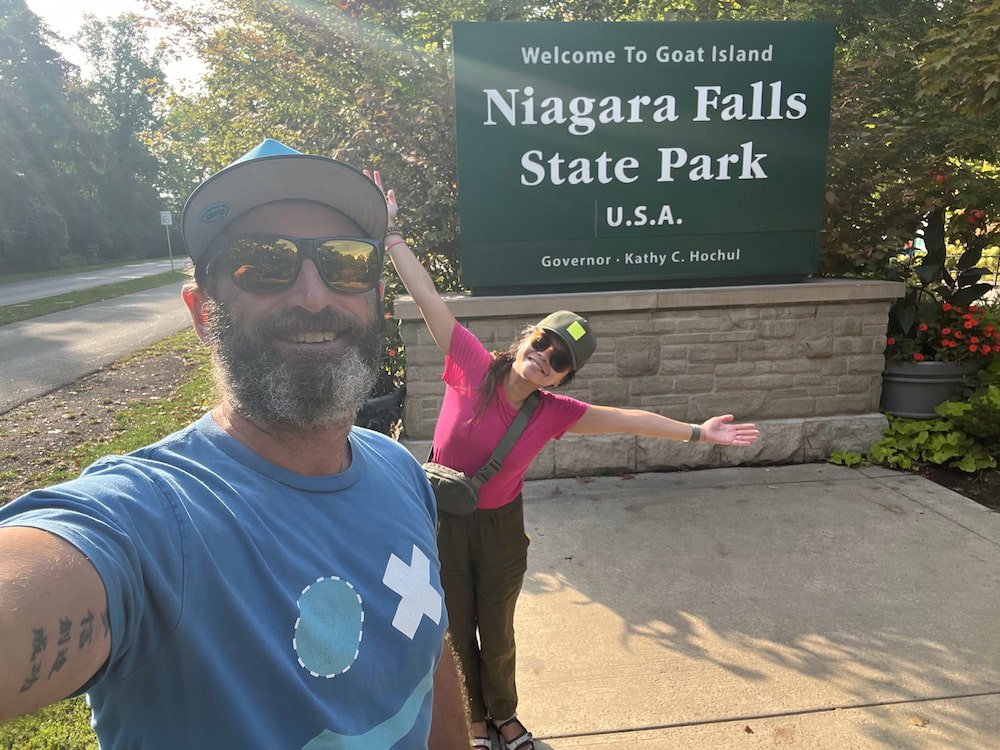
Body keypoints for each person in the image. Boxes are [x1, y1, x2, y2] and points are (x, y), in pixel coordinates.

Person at [0, 140, 470, 749]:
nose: (314, 296)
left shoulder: (400, 472)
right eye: (262, 263)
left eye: (347, 263)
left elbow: (426, 651)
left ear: (376, 298)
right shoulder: (154, 521)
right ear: (203, 313)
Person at [368, 171, 760, 750]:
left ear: (563, 377)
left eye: (559, 361)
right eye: (543, 344)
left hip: (501, 528)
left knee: (497, 629)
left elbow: (628, 418)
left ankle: (504, 716)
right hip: (443, 517)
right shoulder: (472, 365)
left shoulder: (554, 412)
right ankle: (474, 721)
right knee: (453, 624)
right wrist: (392, 234)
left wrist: (699, 432)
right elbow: (428, 296)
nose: (545, 358)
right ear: (527, 338)